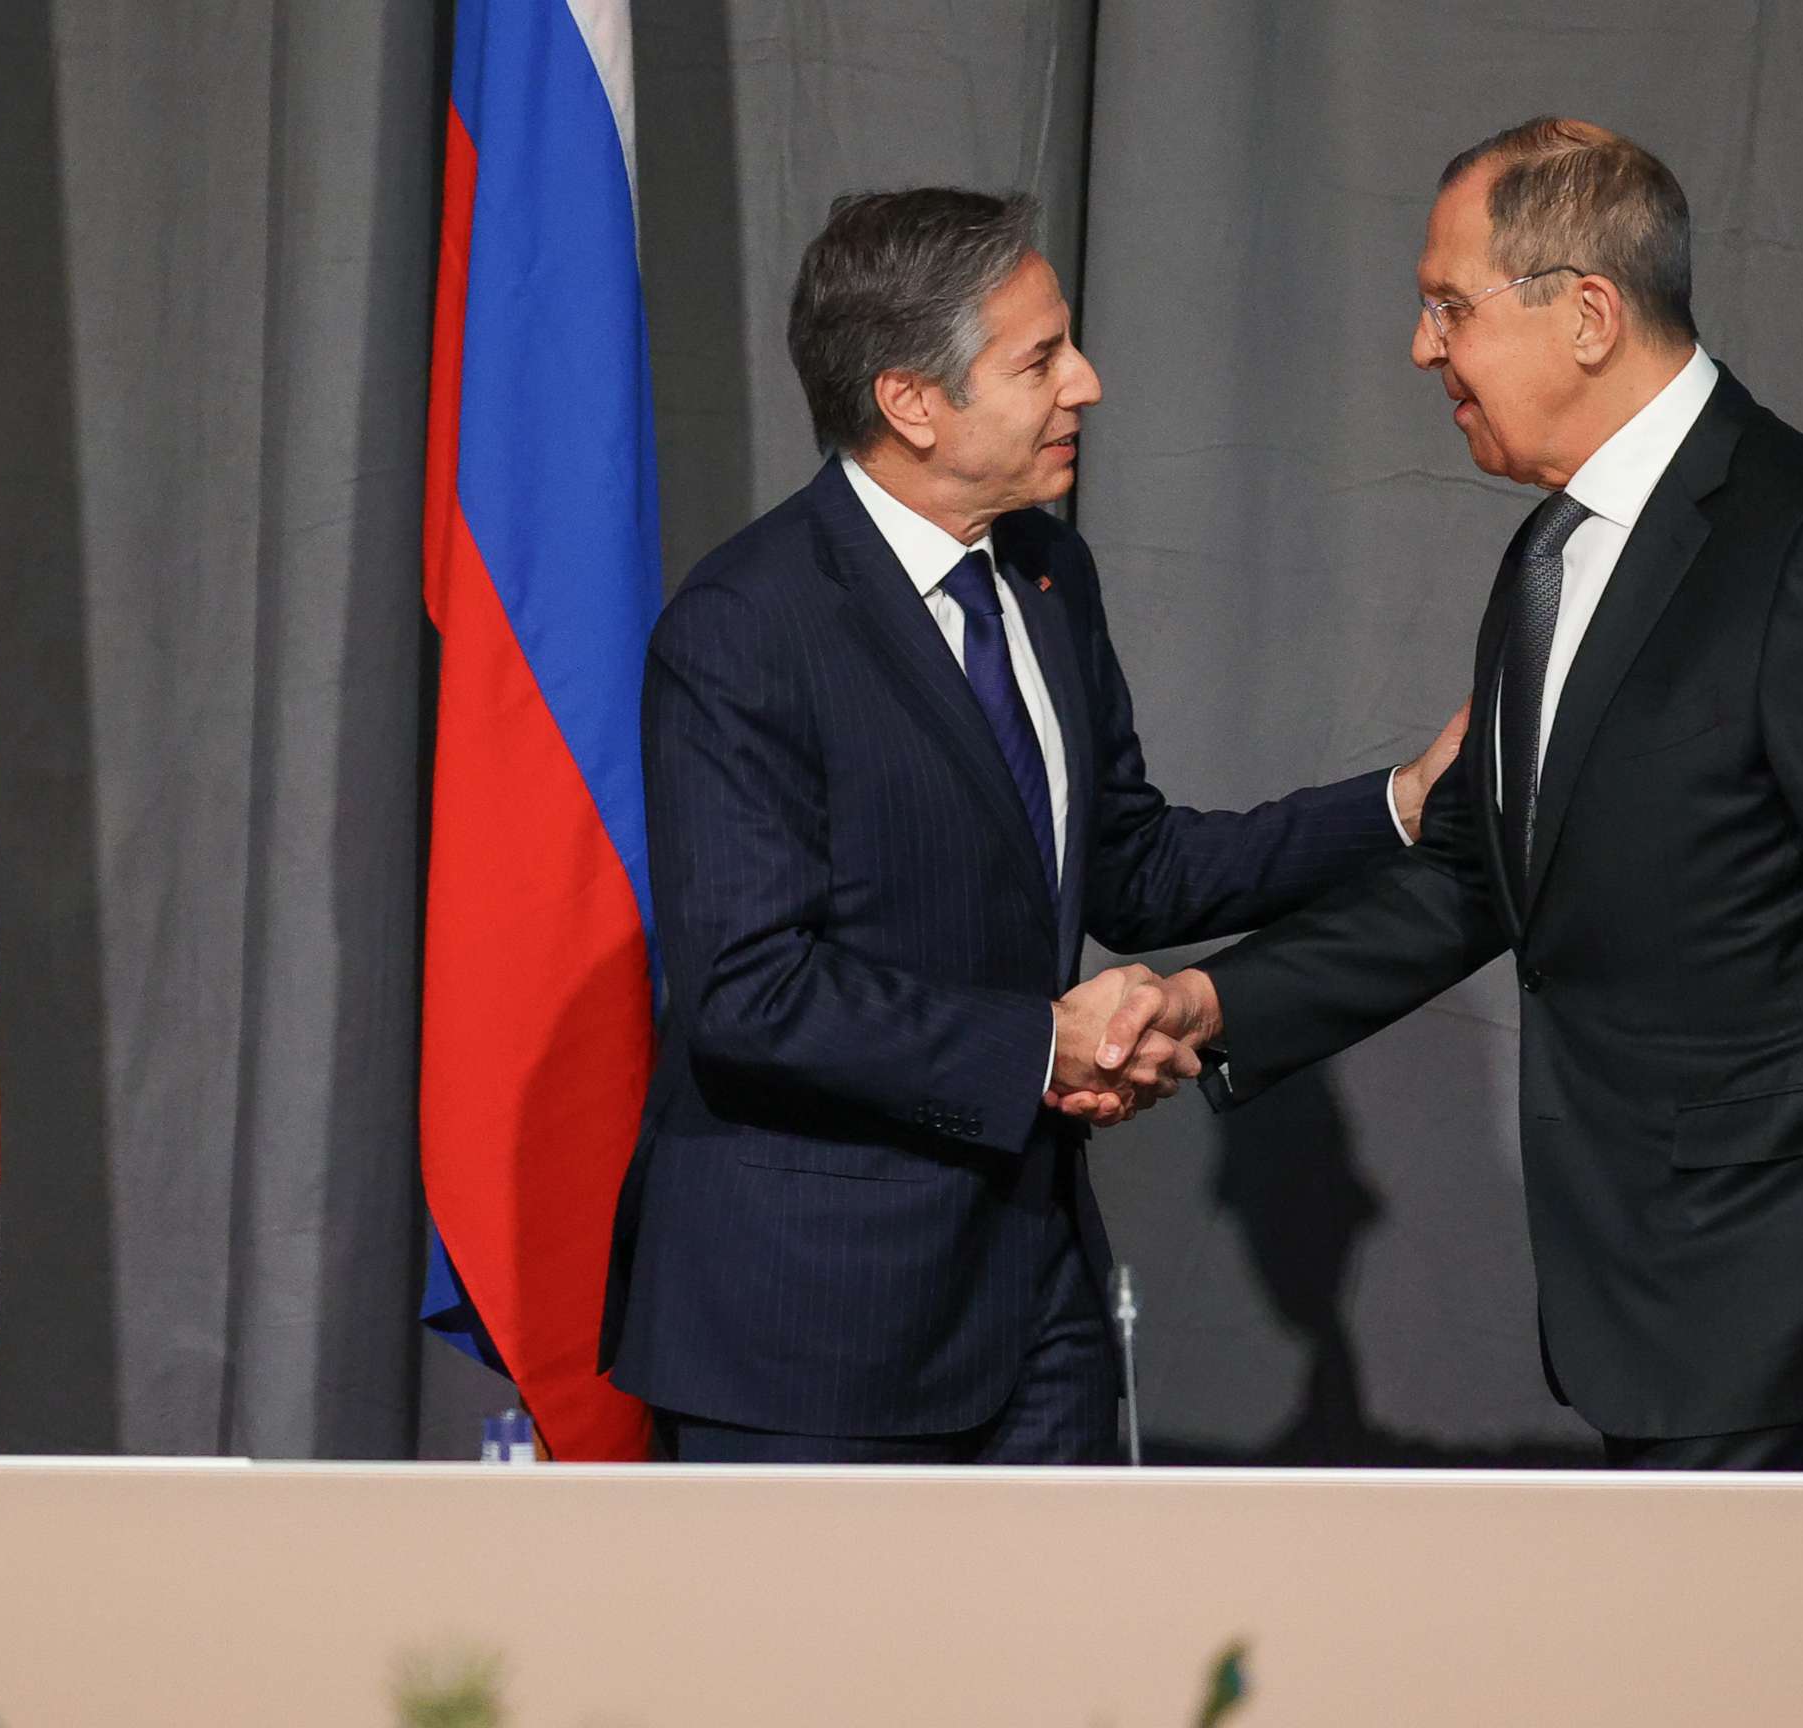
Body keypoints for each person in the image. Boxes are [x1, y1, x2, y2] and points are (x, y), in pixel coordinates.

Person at [1084, 119, 1803, 1470]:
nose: (1423, 350)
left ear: (1587, 314)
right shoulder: (1550, 557)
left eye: (1447, 308)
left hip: (1793, 1304)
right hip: (1640, 1300)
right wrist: (1210, 1003)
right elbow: (1485, 877)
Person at [600, 188, 1466, 1464]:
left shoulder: (1051, 577)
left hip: (1034, 1298)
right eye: (1041, 357)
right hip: (808, 1327)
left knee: (1068, 1666)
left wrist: (1400, 804)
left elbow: (1134, 863)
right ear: (912, 402)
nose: (1089, 383)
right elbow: (749, 990)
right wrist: (1037, 1048)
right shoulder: (748, 628)